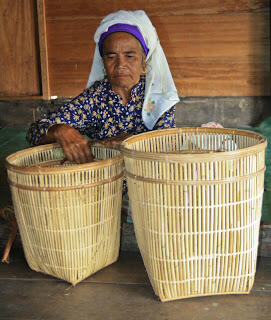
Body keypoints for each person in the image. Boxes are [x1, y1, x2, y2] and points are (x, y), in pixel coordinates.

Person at [27, 10, 222, 163]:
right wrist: (60, 130)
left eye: (130, 56)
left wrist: (132, 143)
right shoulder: (95, 98)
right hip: (107, 187)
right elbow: (34, 131)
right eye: (111, 56)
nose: (120, 65)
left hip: (150, 183)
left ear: (144, 62)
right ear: (103, 62)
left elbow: (167, 143)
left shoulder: (157, 97)